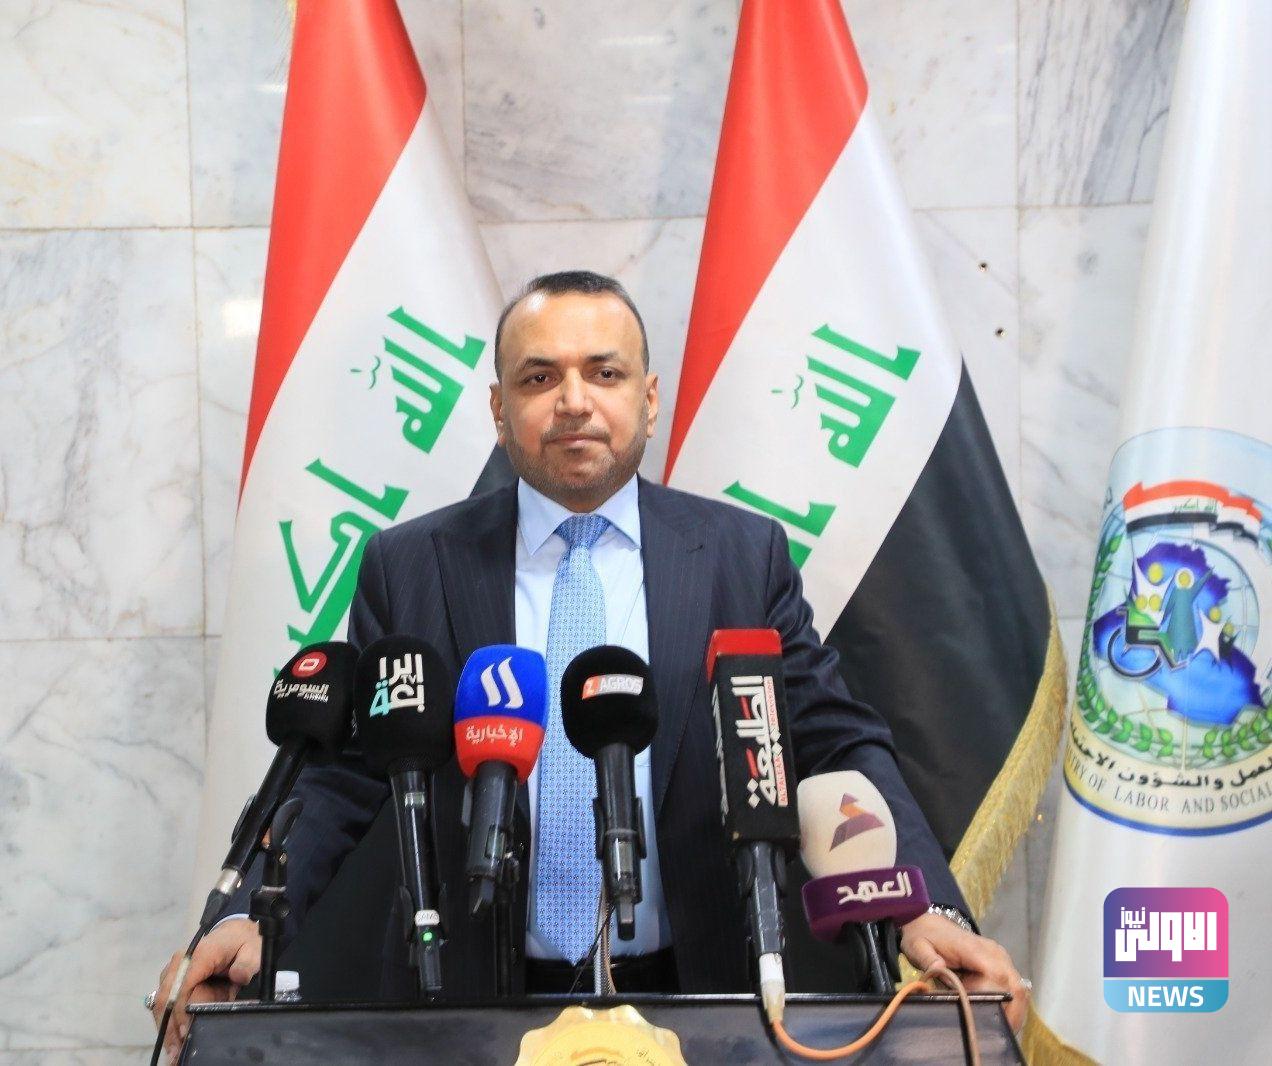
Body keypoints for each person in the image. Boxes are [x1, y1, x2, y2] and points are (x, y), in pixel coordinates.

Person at [153, 271, 1028, 1056]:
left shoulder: (738, 557)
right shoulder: (411, 566)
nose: (574, 402)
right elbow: (346, 770)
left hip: (701, 997)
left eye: (604, 373)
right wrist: (243, 913)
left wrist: (930, 908)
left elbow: (832, 743)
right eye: (540, 378)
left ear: (649, 399)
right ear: (498, 409)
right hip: (471, 1004)